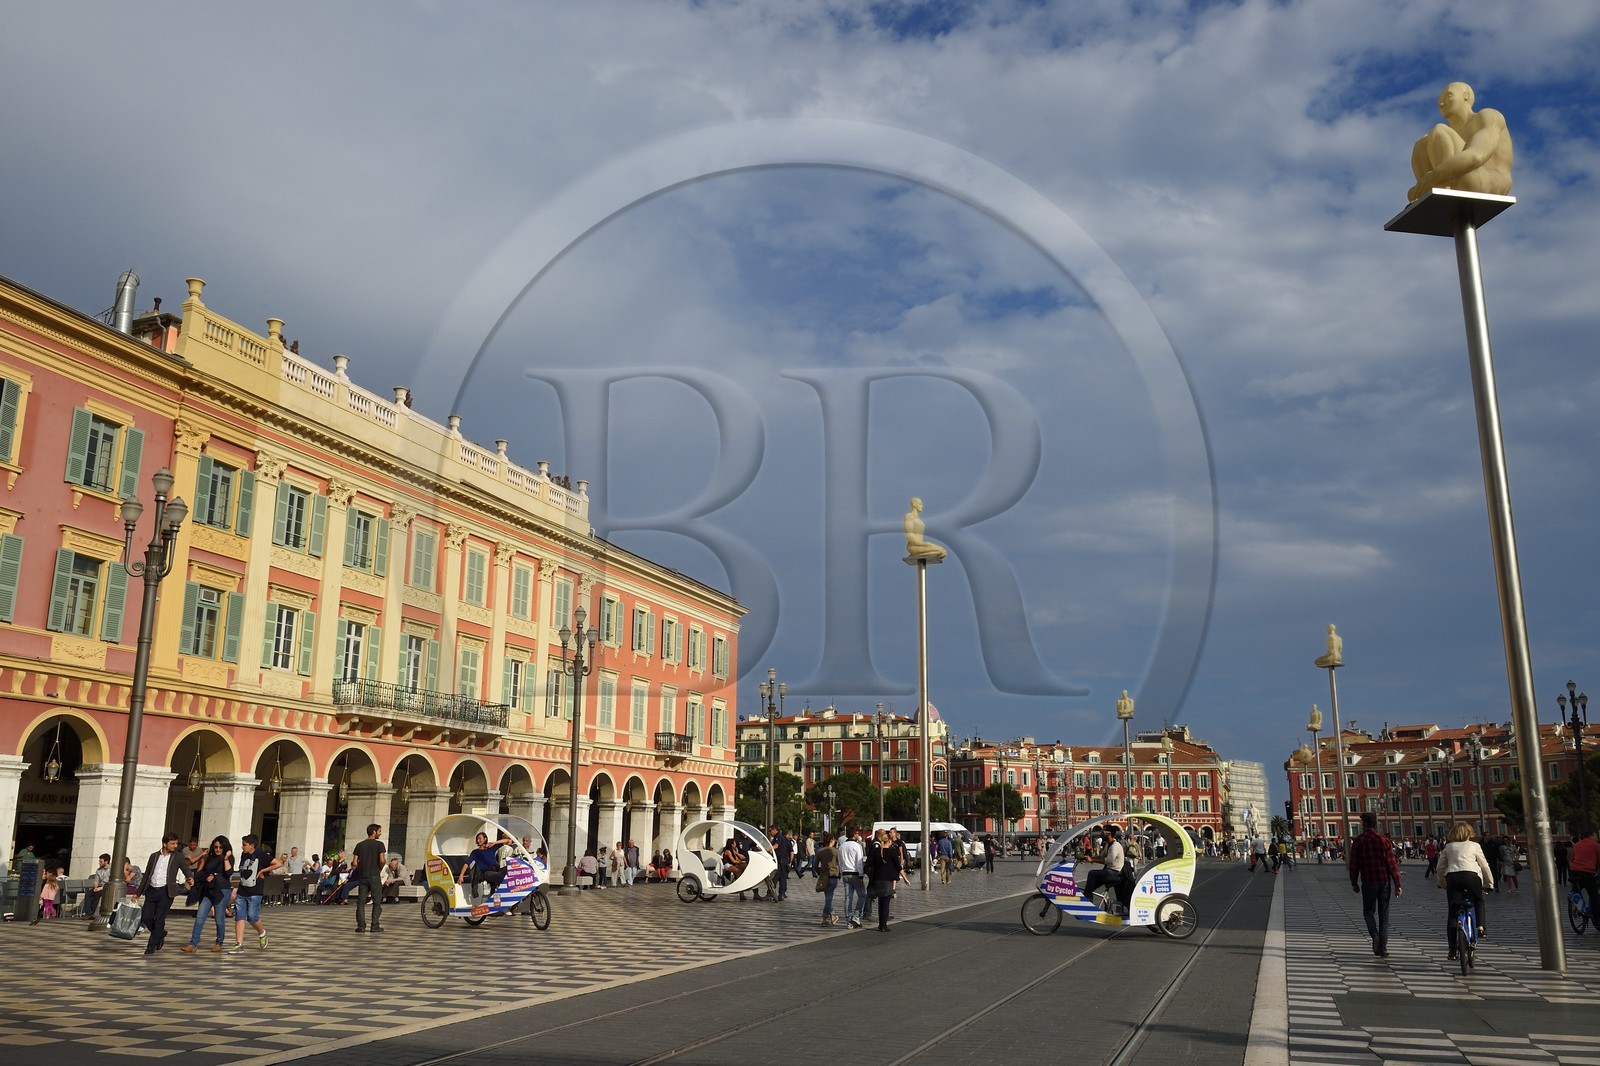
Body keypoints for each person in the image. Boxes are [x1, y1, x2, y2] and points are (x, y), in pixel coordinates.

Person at [1408, 82, 1514, 203]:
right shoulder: (1452, 135)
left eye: (1448, 96)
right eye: (1439, 103)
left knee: (1439, 130)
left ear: (1466, 96)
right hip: (1464, 177)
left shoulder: (1487, 116)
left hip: (1490, 180)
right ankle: (1427, 192)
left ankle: (1441, 185)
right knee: (1422, 143)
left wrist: (1434, 177)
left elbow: (1476, 156)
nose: (1442, 104)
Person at [1347, 812, 1403, 958]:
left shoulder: (1359, 841)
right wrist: (1397, 883)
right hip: (1384, 881)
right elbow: (1392, 864)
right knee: (1384, 914)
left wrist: (1354, 882)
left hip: (1368, 882)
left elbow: (1354, 865)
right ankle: (1383, 949)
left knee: (1368, 911)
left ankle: (1374, 934)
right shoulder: (1384, 840)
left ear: (1364, 824)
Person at [1436, 822, 1494, 960]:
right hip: (1471, 876)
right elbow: (1484, 865)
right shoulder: (1475, 846)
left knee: (1452, 912)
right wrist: (1489, 883)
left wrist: (1442, 883)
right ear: (1469, 833)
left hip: (1453, 877)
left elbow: (1439, 867)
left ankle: (1452, 950)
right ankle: (1481, 928)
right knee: (1479, 901)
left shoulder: (1448, 847)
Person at [135, 832, 197, 955]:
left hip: (166, 892)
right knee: (146, 917)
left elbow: (185, 868)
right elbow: (147, 875)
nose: (175, 846)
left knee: (159, 919)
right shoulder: (154, 856)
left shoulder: (178, 857)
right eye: (172, 843)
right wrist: (138, 893)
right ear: (165, 844)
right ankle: (160, 933)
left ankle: (151, 946)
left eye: (176, 843)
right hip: (151, 890)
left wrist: (190, 877)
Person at [182, 836, 234, 953]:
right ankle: (193, 944)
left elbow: (228, 873)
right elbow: (203, 870)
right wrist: (206, 876)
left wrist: (226, 858)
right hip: (209, 889)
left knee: (219, 918)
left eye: (221, 847)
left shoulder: (229, 858)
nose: (218, 849)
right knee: (200, 916)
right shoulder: (210, 857)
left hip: (222, 890)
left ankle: (219, 943)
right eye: (216, 847)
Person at [349, 823, 386, 933]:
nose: (380, 833)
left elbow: (354, 863)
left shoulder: (359, 845)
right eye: (379, 831)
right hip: (374, 876)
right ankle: (374, 926)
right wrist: (379, 868)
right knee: (376, 901)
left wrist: (361, 868)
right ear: (374, 832)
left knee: (361, 901)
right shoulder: (380, 845)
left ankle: (361, 926)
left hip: (363, 876)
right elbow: (382, 860)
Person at [865, 829, 903, 931]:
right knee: (885, 903)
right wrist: (904, 877)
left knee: (880, 902)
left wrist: (870, 875)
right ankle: (883, 925)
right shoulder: (892, 852)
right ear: (889, 841)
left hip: (877, 879)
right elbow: (898, 866)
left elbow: (868, 864)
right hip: (887, 881)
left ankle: (881, 923)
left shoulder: (876, 851)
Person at [1079, 826, 1127, 908]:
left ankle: (1087, 901)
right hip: (1109, 871)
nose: (1101, 833)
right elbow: (1101, 856)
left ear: (1108, 834)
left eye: (1103, 832)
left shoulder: (1115, 845)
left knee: (1092, 874)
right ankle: (1087, 903)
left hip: (1115, 873)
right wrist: (1088, 857)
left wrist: (1092, 860)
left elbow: (1109, 860)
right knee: (1090, 887)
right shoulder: (1108, 845)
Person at [457, 829, 510, 899]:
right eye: (477, 839)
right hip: (487, 873)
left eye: (480, 838)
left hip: (497, 870)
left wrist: (495, 843)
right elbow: (467, 863)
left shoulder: (491, 847)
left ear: (485, 839)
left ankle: (505, 886)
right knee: (494, 876)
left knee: (509, 868)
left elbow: (508, 841)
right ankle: (506, 886)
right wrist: (461, 875)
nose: (478, 840)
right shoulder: (475, 852)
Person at [1569, 828, 1600, 932]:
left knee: (1576, 889)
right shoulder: (1595, 845)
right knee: (1594, 895)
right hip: (1588, 873)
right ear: (1590, 835)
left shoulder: (1576, 845)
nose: (1597, 837)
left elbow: (1572, 859)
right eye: (1596, 835)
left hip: (1574, 872)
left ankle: (1575, 906)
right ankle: (1597, 919)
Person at [903, 496, 948, 561]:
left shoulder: (919, 519)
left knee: (944, 553)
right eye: (920, 504)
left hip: (921, 545)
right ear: (914, 504)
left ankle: (920, 555)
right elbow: (909, 535)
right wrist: (922, 544)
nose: (922, 506)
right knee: (940, 551)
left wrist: (923, 544)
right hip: (913, 546)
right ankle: (917, 555)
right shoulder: (909, 516)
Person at [838, 826, 866, 928]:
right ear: (854, 834)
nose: (858, 835)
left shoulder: (842, 846)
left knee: (848, 897)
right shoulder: (856, 846)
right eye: (857, 833)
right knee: (862, 895)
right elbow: (859, 861)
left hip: (845, 873)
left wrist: (841, 872)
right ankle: (857, 914)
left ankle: (849, 920)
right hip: (855, 873)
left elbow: (840, 861)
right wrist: (861, 875)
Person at [815, 833, 841, 926]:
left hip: (824, 877)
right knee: (829, 898)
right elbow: (840, 864)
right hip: (833, 876)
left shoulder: (820, 851)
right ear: (831, 841)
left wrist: (819, 872)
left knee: (828, 898)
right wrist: (840, 874)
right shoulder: (835, 851)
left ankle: (833, 915)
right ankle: (824, 918)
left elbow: (815, 865)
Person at [79, 853, 112, 919]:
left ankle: (93, 912)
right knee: (88, 894)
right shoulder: (99, 870)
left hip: (107, 887)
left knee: (97, 894)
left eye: (101, 861)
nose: (99, 863)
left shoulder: (111, 870)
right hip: (100, 886)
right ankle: (88, 913)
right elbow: (96, 880)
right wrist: (95, 886)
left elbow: (110, 882)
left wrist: (100, 888)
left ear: (106, 861)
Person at [773, 829, 793, 901]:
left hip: (780, 860)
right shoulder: (787, 841)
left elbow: (776, 846)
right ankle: (781, 893)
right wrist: (790, 862)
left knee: (776, 877)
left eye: (770, 831)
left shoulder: (778, 838)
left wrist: (768, 849)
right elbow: (791, 852)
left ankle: (771, 892)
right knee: (782, 877)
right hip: (784, 861)